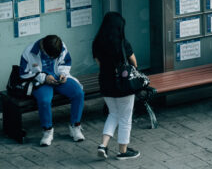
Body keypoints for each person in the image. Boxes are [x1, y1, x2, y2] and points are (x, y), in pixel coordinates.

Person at [18, 34, 85, 147]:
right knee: (44, 100)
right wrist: (43, 77)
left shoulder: (61, 46)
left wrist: (63, 75)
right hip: (41, 82)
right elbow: (23, 74)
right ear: (43, 48)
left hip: (58, 78)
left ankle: (75, 126)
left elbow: (66, 62)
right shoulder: (29, 52)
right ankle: (47, 131)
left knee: (78, 93)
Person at [92, 12, 141, 159]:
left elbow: (99, 64)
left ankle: (103, 145)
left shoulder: (96, 43)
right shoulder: (123, 43)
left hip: (106, 82)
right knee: (125, 117)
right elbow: (134, 63)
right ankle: (123, 151)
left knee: (113, 113)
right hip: (123, 84)